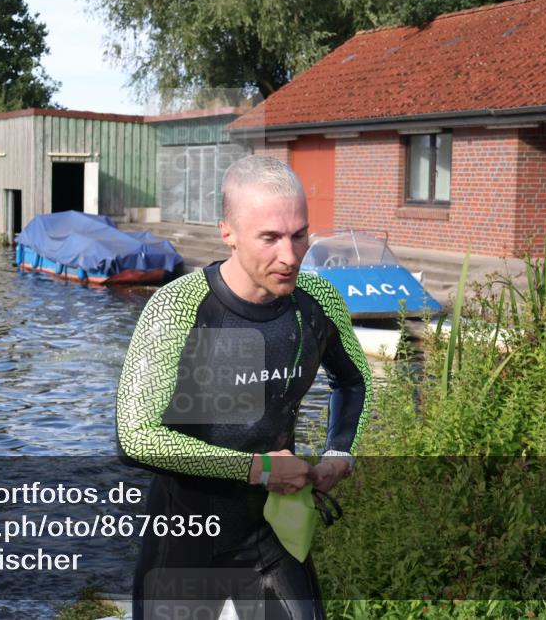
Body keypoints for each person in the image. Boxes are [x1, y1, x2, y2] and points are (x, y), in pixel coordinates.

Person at [116, 155, 373, 619]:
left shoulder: (318, 303)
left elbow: (353, 379)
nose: (291, 256)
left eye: (299, 234)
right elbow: (135, 437)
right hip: (184, 539)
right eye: (270, 238)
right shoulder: (179, 306)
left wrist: (340, 450)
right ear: (228, 233)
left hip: (271, 536)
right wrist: (258, 468)